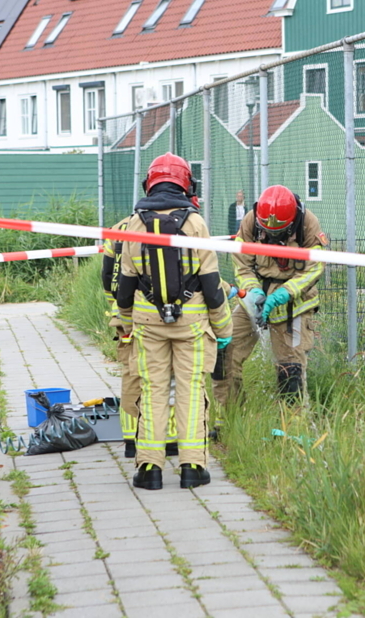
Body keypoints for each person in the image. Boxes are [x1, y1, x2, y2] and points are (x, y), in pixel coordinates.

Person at [117, 153, 233, 490]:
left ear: (150, 183)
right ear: (186, 184)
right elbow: (212, 285)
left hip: (148, 324)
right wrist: (223, 329)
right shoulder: (195, 223)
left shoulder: (134, 224)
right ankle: (192, 467)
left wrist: (125, 324)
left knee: (152, 391)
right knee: (191, 391)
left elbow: (125, 286)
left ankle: (149, 470)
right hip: (193, 325)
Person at [213, 185, 325, 405]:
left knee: (290, 369)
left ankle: (292, 428)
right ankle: (230, 417)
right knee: (224, 351)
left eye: (278, 232)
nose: (272, 236)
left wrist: (284, 293)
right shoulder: (250, 221)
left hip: (294, 304)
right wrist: (253, 292)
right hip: (254, 299)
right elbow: (242, 264)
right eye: (268, 232)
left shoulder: (308, 224)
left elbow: (314, 268)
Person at [102, 216, 179, 460]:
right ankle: (169, 439)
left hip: (125, 313)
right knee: (169, 375)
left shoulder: (120, 228)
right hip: (156, 313)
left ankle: (131, 439)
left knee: (132, 374)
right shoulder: (175, 223)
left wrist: (118, 312)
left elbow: (108, 277)